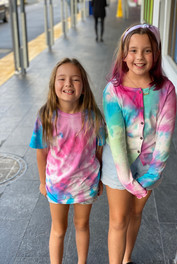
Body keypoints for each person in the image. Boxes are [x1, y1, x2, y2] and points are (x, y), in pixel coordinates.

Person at [101, 23, 177, 264]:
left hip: (149, 166)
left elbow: (164, 138)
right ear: (124, 54)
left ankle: (126, 258)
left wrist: (151, 175)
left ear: (156, 54)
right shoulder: (113, 90)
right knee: (118, 219)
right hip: (118, 164)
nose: (139, 57)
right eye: (133, 50)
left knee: (135, 213)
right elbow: (115, 138)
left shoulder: (166, 89)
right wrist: (128, 181)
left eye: (147, 50)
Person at [29, 58, 105, 264]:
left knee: (82, 225)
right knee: (58, 229)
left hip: (85, 183)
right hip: (57, 184)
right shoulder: (46, 116)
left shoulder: (94, 118)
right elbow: (41, 153)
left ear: (84, 86)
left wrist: (99, 180)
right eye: (62, 79)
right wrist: (43, 182)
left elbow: (99, 150)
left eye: (75, 79)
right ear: (54, 85)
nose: (68, 84)